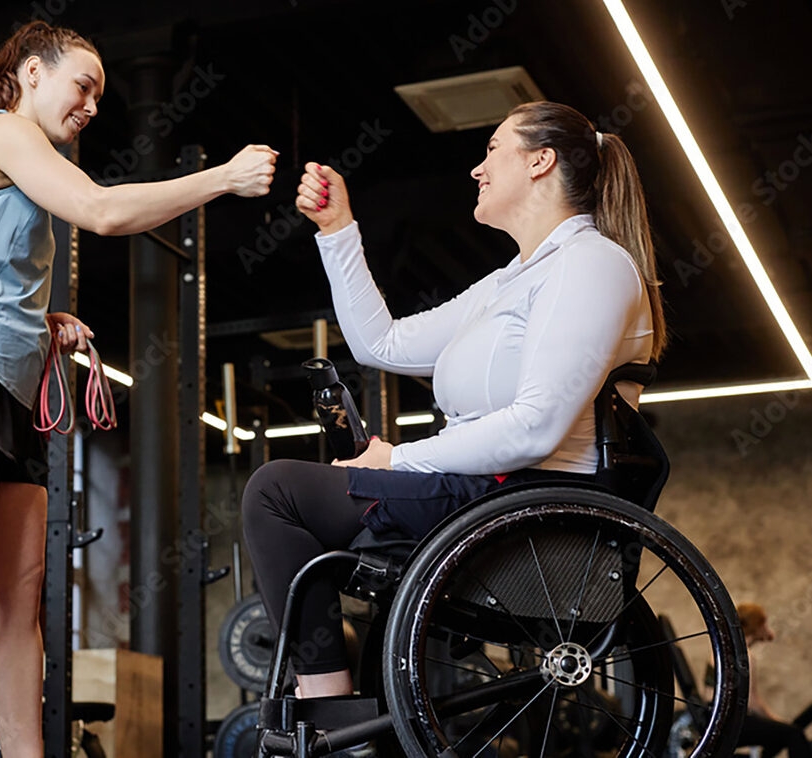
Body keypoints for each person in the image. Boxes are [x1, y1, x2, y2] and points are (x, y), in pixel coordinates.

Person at [0, 21, 276, 758]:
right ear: (30, 72)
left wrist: (38, 319)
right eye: (82, 84)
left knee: (19, 601)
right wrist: (223, 178)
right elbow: (104, 211)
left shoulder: (26, 159)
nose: (90, 104)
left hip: (6, 387)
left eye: (98, 95)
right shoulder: (1, 130)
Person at [242, 101, 666, 698]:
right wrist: (338, 231)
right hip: (487, 492)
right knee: (285, 493)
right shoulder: (512, 279)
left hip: (525, 501)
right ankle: (332, 701)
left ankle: (326, 703)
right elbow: (380, 342)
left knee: (278, 491)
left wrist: (397, 460)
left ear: (541, 161)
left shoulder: (590, 264)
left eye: (493, 149)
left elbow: (535, 429)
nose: (477, 168)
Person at [732, 603, 812, 757]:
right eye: (764, 623)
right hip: (734, 723)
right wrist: (776, 721)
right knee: (793, 734)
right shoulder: (746, 657)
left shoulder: (722, 653)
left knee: (781, 735)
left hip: (720, 719)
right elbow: (752, 703)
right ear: (758, 626)